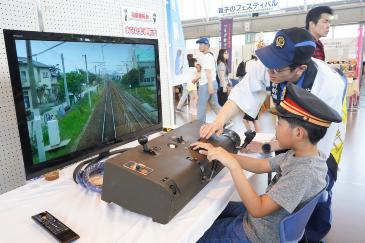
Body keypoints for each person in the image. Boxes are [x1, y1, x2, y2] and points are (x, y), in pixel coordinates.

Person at [200, 28, 346, 241]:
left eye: (277, 69)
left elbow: (315, 146)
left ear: (300, 69)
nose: (270, 70)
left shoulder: (328, 86)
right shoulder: (297, 154)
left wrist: (232, 163)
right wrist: (219, 125)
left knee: (314, 205)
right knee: (213, 213)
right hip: (292, 162)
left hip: (261, 229)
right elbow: (244, 92)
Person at [192, 82, 342, 242]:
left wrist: (233, 165)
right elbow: (260, 165)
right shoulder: (303, 155)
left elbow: (257, 209)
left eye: (279, 124)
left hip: (258, 234)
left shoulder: (304, 173)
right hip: (266, 220)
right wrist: (223, 153)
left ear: (298, 133)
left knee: (197, 234)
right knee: (213, 211)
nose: (275, 128)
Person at [305, 6, 348, 242]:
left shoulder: (317, 49)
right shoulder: (304, 50)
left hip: (327, 130)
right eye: (324, 21)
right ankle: (310, 232)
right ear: (311, 23)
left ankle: (313, 233)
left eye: (329, 22)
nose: (328, 26)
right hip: (315, 131)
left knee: (322, 182)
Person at [195, 37, 220, 122]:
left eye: (201, 44)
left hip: (206, 84)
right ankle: (226, 120)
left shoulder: (207, 57)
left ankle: (200, 125)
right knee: (214, 104)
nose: (199, 46)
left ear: (206, 45)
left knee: (201, 106)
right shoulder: (209, 56)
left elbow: (208, 73)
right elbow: (206, 72)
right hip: (212, 82)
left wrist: (209, 86)